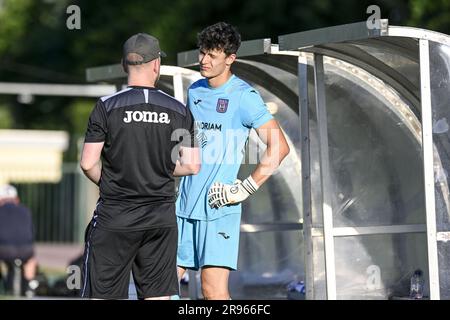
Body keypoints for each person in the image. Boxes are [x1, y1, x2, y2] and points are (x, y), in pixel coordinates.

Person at [80, 32, 200, 300]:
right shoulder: (180, 110)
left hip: (116, 216)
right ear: (156, 65)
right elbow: (192, 165)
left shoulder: (106, 106)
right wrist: (155, 171)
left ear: (124, 65)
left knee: (104, 294)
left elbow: (88, 162)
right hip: (160, 218)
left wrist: (111, 180)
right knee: (158, 295)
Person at [176, 22, 290, 300]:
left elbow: (280, 147)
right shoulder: (195, 91)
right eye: (202, 52)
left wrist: (245, 188)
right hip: (183, 206)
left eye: (212, 55)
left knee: (211, 290)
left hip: (218, 208)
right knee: (159, 284)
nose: (203, 60)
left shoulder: (244, 96)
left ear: (230, 59)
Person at [0, 184, 38, 297]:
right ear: (16, 199)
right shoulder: (25, 210)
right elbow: (32, 232)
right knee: (30, 260)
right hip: (25, 250)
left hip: (3, 250)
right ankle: (29, 285)